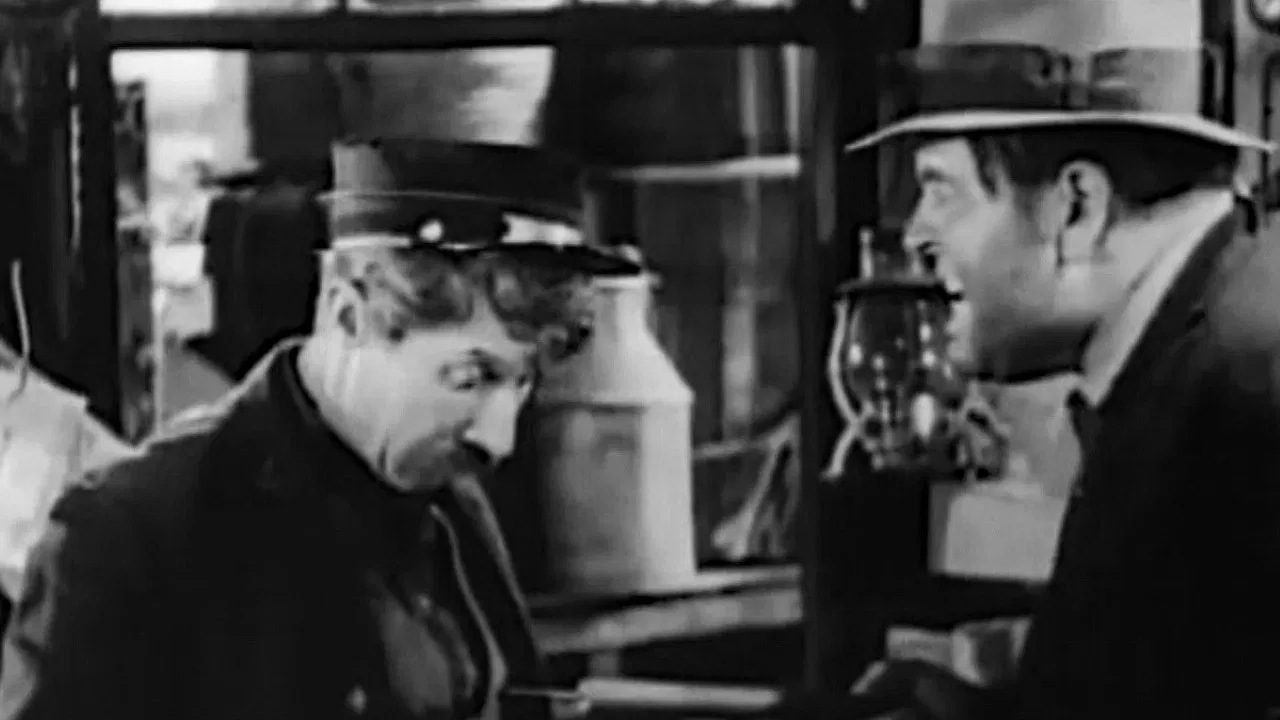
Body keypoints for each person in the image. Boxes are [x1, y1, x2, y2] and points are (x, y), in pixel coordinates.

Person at [0, 138, 636, 720]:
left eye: (522, 384)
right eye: (470, 378)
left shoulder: (451, 503)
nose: (499, 439)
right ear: (348, 314)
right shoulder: (131, 534)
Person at [845, 4, 1280, 720]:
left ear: (1076, 209)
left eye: (942, 191)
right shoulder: (1192, 355)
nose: (917, 233)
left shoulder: (1246, 402)